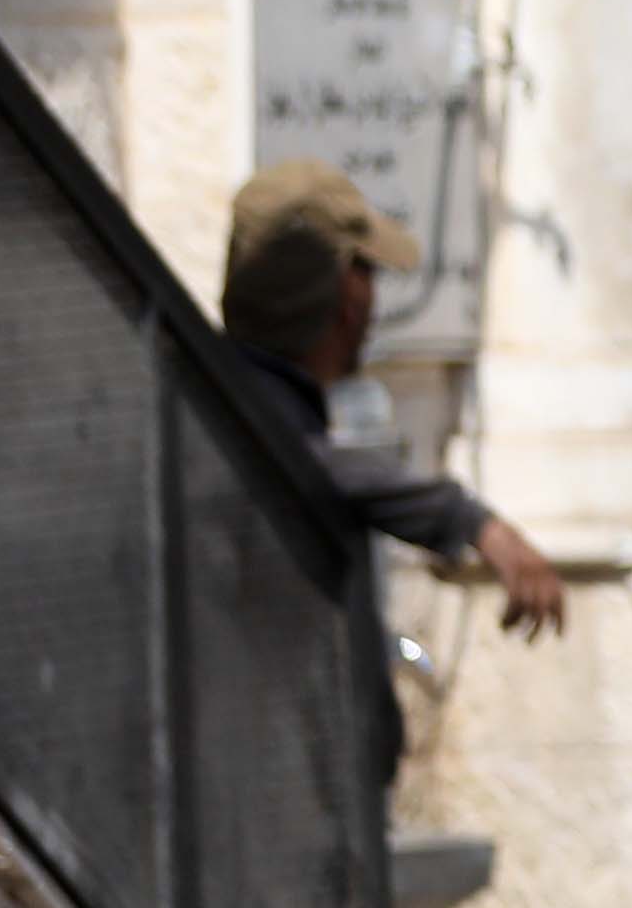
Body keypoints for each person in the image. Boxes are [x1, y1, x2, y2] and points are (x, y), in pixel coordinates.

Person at [218, 159, 569, 639]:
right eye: (369, 273)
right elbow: (312, 464)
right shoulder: (242, 415)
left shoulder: (212, 385)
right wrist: (472, 523)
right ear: (347, 294)